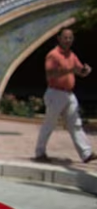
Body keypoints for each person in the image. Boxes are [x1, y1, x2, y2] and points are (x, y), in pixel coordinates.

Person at [34, 27, 94, 163]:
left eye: (70, 38)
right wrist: (68, 70)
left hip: (69, 94)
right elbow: (50, 74)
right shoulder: (53, 55)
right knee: (50, 123)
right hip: (55, 93)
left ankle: (86, 153)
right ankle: (40, 152)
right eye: (65, 37)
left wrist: (85, 71)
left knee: (75, 123)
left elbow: (79, 71)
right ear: (59, 38)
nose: (68, 40)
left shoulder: (71, 55)